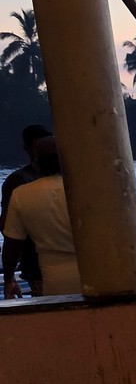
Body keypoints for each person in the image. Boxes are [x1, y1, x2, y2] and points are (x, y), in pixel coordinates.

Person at [3, 137, 81, 297]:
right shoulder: (88, 189)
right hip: (100, 275)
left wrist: (9, 279)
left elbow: (12, 244)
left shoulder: (21, 195)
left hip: (54, 281)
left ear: (37, 163)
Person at [1, 124, 51, 296]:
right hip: (34, 263)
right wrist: (9, 276)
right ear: (27, 149)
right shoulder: (18, 181)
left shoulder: (20, 181)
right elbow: (8, 228)